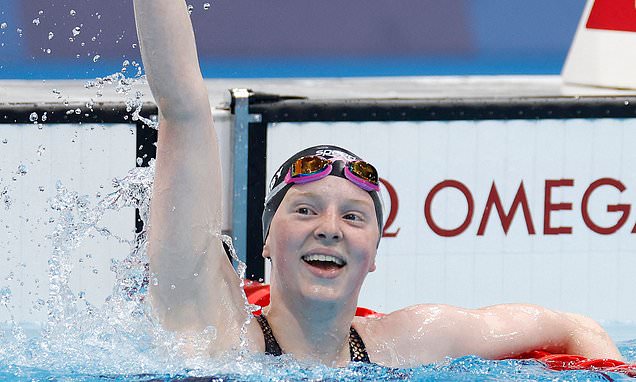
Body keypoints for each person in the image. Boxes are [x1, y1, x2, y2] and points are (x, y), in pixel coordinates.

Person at [133, 0, 623, 368]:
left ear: (374, 253)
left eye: (353, 217)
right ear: (264, 239)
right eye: (305, 210)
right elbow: (182, 108)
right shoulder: (216, 334)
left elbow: (573, 326)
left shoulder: (410, 340)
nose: (330, 229)